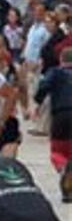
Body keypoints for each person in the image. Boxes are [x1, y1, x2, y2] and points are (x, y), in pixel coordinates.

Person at [33, 47, 72, 202]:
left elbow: (43, 86)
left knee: (57, 150)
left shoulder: (55, 72)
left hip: (61, 114)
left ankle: (62, 166)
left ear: (61, 60)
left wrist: (37, 100)